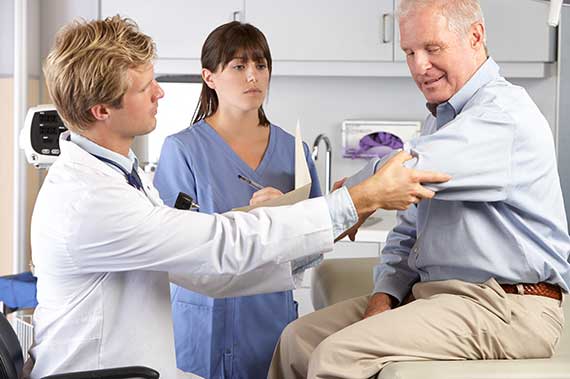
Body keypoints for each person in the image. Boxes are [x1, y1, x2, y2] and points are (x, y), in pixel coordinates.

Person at [27, 16, 449, 379]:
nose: (160, 92)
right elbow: (218, 244)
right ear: (103, 109)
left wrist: (326, 219)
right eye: (144, 86)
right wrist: (355, 200)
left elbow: (208, 270)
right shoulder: (91, 200)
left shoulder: (119, 177)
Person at [268, 1, 570, 378]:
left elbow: (405, 170)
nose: (418, 65)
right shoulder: (441, 122)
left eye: (432, 48)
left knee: (337, 355)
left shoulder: (502, 115)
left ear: (475, 36)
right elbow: (410, 231)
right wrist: (386, 295)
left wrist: (350, 195)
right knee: (298, 340)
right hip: (439, 296)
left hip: (507, 306)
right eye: (410, 52)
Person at [153, 22, 322, 379]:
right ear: (209, 77)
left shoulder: (294, 151)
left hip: (269, 317)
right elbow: (172, 243)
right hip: (203, 320)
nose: (253, 77)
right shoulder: (182, 150)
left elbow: (318, 241)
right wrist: (249, 222)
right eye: (239, 66)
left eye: (261, 66)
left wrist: (287, 218)